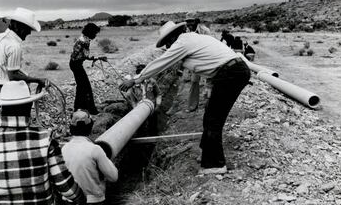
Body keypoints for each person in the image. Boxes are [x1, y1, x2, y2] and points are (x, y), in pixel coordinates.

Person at [120, 21, 251, 174]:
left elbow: (161, 62)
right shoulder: (193, 38)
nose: (168, 47)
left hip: (231, 74)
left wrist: (136, 79)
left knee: (214, 120)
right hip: (231, 72)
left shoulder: (183, 41)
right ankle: (207, 155)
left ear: (173, 37)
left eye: (167, 43)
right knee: (210, 115)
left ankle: (215, 164)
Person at [0, 81, 86, 205]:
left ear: (1, 107)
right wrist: (81, 198)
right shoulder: (46, 138)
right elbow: (65, 186)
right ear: (30, 106)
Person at [62, 110, 118, 204]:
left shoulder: (63, 149)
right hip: (93, 200)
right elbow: (113, 177)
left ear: (71, 128)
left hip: (70, 200)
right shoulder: (95, 149)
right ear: (90, 128)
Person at [0, 7, 47, 90]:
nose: (29, 32)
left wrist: (2, 80)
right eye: (27, 28)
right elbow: (13, 76)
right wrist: (38, 80)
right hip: (15, 91)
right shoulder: (14, 46)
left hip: (3, 90)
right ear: (17, 26)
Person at [70, 23, 107, 115]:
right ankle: (91, 109)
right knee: (86, 87)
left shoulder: (84, 39)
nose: (95, 35)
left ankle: (78, 107)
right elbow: (80, 55)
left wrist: (97, 58)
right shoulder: (84, 41)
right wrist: (96, 58)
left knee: (81, 87)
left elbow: (83, 55)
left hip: (75, 64)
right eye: (95, 33)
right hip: (76, 65)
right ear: (91, 32)